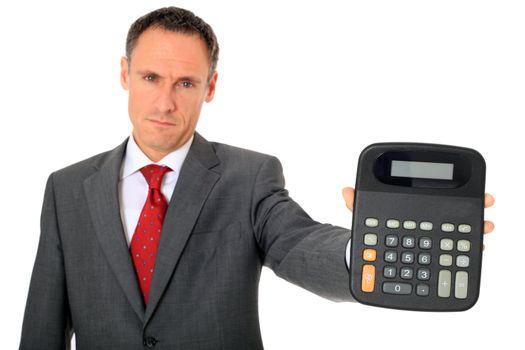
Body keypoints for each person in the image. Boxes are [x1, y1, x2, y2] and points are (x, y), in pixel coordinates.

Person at [19, 6, 495, 350]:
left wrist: (371, 246)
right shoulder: (66, 187)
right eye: (150, 78)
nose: (165, 102)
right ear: (124, 74)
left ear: (211, 86)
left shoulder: (249, 177)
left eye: (186, 82)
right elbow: (43, 327)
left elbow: (297, 242)